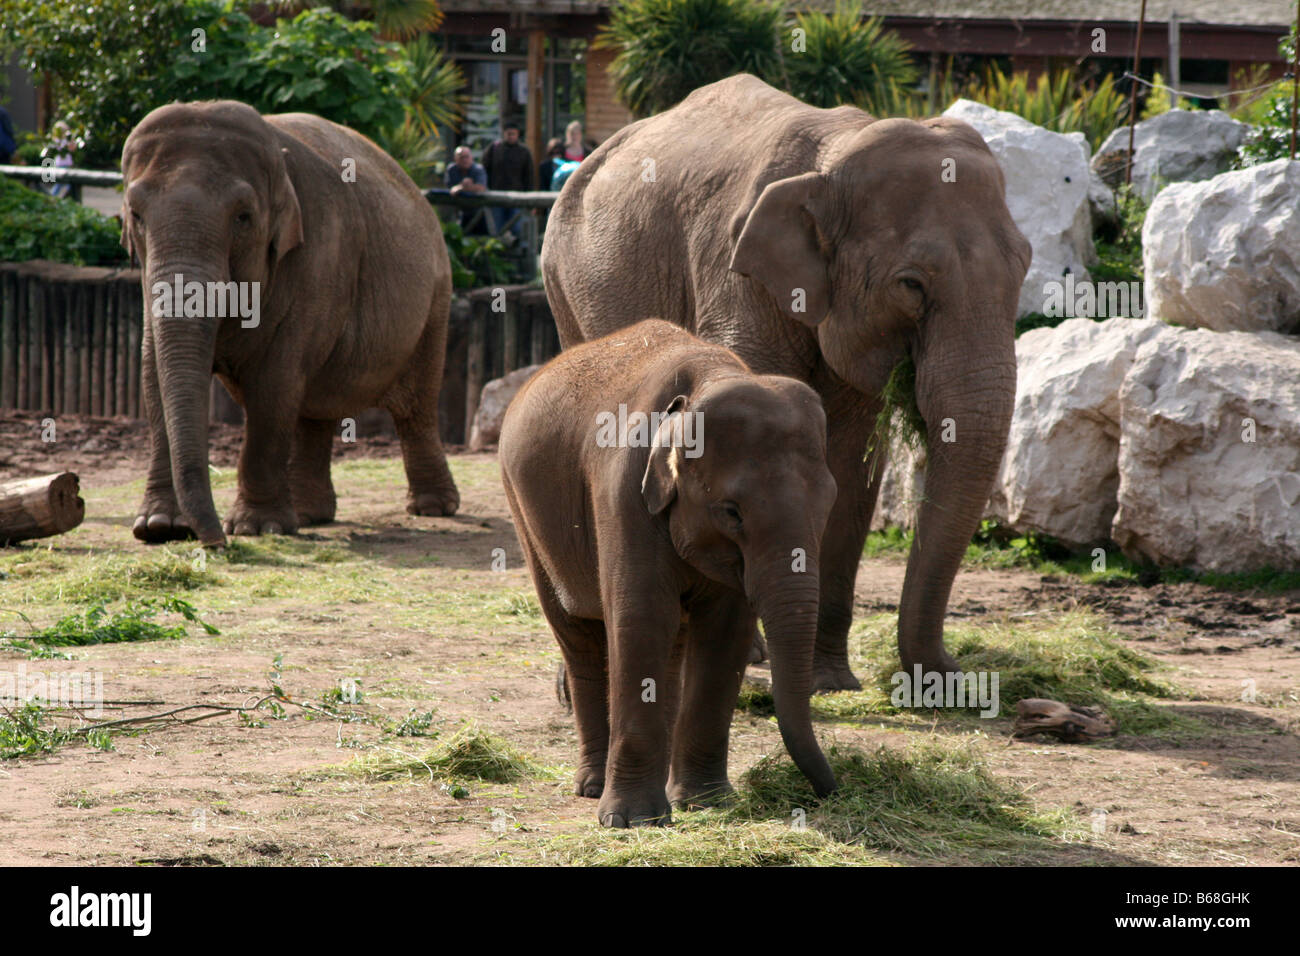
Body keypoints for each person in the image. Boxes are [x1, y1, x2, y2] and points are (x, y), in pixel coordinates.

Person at [481, 123, 534, 242]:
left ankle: (517, 256)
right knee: (497, 230)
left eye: (513, 134)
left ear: (517, 134)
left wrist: (530, 200)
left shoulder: (524, 151)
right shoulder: (494, 149)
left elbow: (529, 176)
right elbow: (484, 170)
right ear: (504, 133)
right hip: (496, 196)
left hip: (517, 197)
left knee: (516, 229)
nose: (510, 136)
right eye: (508, 134)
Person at [445, 145, 488, 234]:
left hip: (479, 211)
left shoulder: (478, 169)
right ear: (455, 159)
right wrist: (466, 186)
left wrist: (461, 187)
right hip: (459, 210)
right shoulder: (452, 169)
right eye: (461, 157)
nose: (464, 160)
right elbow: (450, 188)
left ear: (471, 157)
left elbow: (481, 188)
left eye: (467, 157)